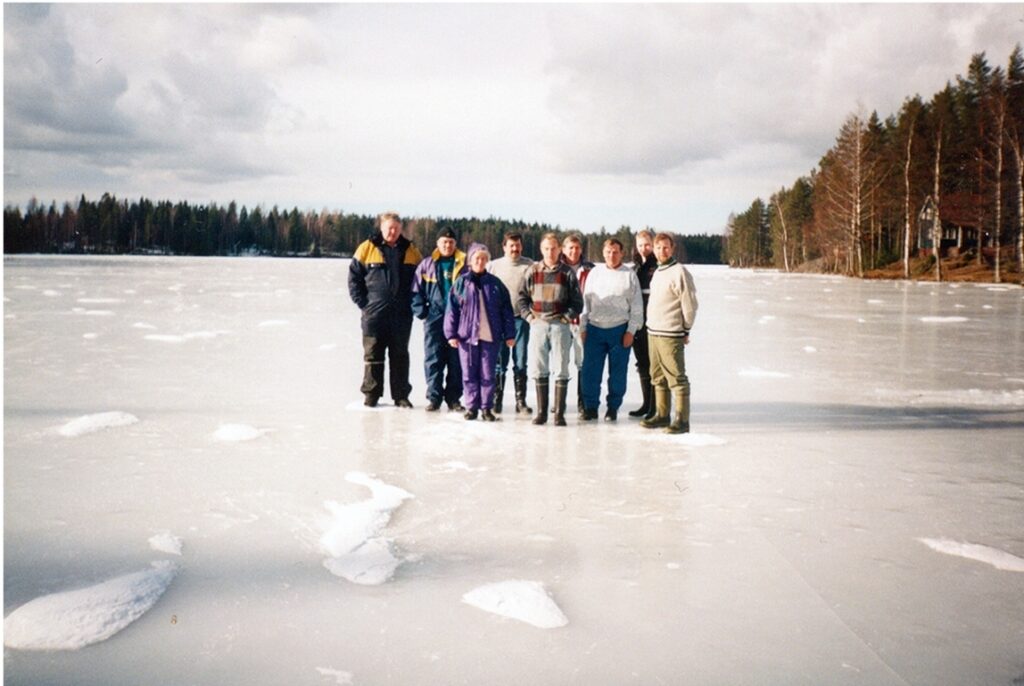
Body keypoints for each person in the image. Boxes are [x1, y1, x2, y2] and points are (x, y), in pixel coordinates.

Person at [347, 212, 423, 408]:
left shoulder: (411, 250)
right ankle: (372, 393)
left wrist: (415, 304)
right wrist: (363, 303)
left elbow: (422, 278)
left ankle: (401, 395)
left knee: (400, 355)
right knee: (373, 354)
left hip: (401, 314)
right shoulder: (366, 248)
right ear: (381, 228)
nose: (393, 232)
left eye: (396, 229)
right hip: (374, 315)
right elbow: (354, 278)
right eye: (389, 228)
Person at [443, 244, 516, 421]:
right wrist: (451, 334)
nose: (480, 262)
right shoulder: (462, 283)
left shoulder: (495, 284)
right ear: (470, 260)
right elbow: (452, 310)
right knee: (468, 374)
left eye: (484, 258)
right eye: (477, 258)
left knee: (488, 374)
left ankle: (486, 408)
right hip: (467, 337)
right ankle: (471, 407)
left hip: (490, 336)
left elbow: (506, 309)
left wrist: (509, 334)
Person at [517, 232, 583, 427]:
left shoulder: (567, 273)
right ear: (541, 249)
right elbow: (522, 298)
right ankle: (541, 413)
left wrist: (566, 317)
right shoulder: (532, 271)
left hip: (560, 326)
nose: (550, 252)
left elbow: (577, 302)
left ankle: (559, 414)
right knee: (539, 368)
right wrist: (529, 317)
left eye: (554, 248)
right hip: (538, 324)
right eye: (546, 248)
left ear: (559, 250)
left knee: (561, 367)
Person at [579, 238, 643, 422]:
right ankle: (591, 407)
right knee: (591, 371)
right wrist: (584, 327)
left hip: (619, 330)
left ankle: (613, 408)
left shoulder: (629, 275)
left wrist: (631, 330)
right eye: (608, 251)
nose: (611, 255)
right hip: (595, 329)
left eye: (615, 252)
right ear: (603, 252)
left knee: (617, 373)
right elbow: (586, 302)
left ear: (621, 253)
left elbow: (637, 306)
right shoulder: (595, 273)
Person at [641, 232, 698, 434]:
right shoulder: (658, 271)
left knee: (676, 377)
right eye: (658, 247)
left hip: (670, 333)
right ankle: (662, 415)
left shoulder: (679, 272)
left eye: (665, 247)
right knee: (657, 376)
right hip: (653, 332)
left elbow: (689, 303)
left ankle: (682, 420)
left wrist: (686, 328)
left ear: (672, 249)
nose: (661, 251)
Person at [411, 227, 467, 412]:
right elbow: (415, 291)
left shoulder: (464, 264)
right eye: (444, 242)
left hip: (458, 318)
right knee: (433, 358)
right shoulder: (427, 264)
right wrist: (422, 313)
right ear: (438, 243)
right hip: (434, 317)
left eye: (451, 242)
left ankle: (453, 398)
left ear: (455, 244)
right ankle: (434, 397)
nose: (447, 245)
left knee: (456, 360)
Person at [487, 232, 534, 415]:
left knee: (520, 361)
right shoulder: (494, 266)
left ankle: (520, 401)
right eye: (511, 246)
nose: (515, 249)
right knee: (499, 361)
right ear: (504, 246)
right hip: (499, 321)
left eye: (518, 245)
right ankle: (496, 399)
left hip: (521, 319)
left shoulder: (529, 265)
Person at [561, 233, 595, 415]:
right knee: (561, 362)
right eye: (570, 248)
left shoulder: (590, 269)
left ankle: (583, 403)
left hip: (582, 323)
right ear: (563, 249)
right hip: (562, 322)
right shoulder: (557, 267)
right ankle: (560, 403)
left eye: (577, 248)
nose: (574, 251)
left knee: (582, 363)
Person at [629, 230, 659, 419]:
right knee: (642, 363)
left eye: (647, 244)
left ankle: (655, 406)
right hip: (637, 322)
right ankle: (646, 403)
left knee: (654, 364)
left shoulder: (657, 267)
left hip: (654, 322)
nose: (643, 248)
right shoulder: (635, 268)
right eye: (640, 245)